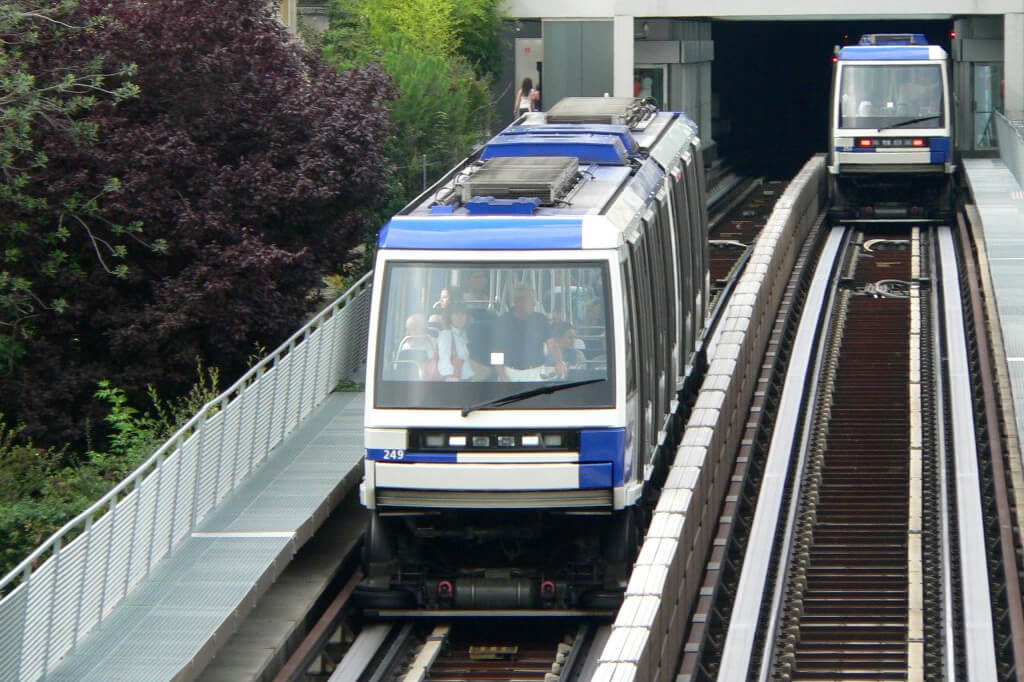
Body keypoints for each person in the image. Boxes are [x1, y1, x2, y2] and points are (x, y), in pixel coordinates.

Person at [494, 283, 564, 381]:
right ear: (518, 301)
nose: (534, 303)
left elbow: (552, 345)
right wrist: (502, 375)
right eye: (530, 300)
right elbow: (496, 352)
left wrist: (559, 362)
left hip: (535, 373)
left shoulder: (541, 320)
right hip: (509, 373)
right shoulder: (503, 321)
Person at [437, 303, 474, 381]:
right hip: (456, 380)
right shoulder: (446, 335)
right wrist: (451, 379)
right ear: (449, 317)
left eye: (463, 314)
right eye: (456, 314)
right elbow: (444, 360)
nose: (460, 317)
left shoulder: (464, 334)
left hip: (468, 379)